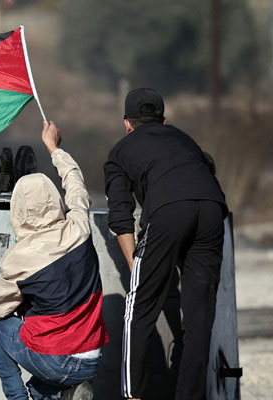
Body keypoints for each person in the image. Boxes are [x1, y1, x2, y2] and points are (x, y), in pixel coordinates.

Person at [103, 88, 227, 400]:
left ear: (126, 123)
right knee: (200, 318)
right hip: (213, 208)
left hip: (169, 211)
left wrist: (137, 268)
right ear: (164, 120)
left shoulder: (120, 152)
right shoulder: (185, 139)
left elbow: (120, 215)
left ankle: (133, 395)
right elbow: (205, 172)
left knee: (138, 308)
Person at [0, 121, 109, 400]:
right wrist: (54, 147)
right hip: (91, 360)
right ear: (53, 199)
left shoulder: (18, 260)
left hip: (55, 361)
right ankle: (65, 393)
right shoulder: (78, 228)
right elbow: (75, 185)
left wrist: (25, 300)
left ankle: (15, 397)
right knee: (41, 386)